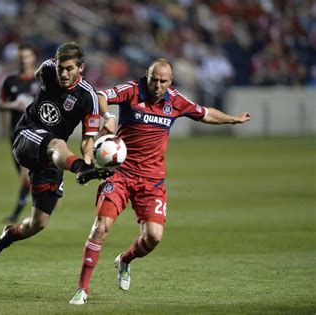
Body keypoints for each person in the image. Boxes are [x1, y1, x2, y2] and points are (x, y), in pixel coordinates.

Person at [69, 58, 250, 305]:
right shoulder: (132, 90)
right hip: (120, 174)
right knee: (101, 226)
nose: (157, 85)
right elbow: (100, 94)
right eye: (154, 79)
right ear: (148, 75)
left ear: (170, 81)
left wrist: (232, 119)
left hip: (152, 181)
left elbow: (205, 114)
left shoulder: (176, 100)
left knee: (153, 236)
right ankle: (82, 290)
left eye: (163, 81)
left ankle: (125, 261)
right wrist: (108, 116)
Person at [0, 42, 114, 259]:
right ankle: (78, 167)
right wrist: (83, 167)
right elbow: (39, 74)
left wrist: (90, 161)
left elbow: (87, 140)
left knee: (39, 222)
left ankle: (9, 235)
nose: (63, 73)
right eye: (60, 68)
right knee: (56, 143)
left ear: (81, 68)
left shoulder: (87, 97)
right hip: (27, 134)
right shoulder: (47, 69)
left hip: (53, 157)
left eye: (69, 69)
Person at [0, 44, 39, 224]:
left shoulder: (41, 80)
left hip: (35, 132)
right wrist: (12, 105)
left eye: (27, 56)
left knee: (25, 174)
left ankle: (16, 214)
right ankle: (51, 190)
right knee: (27, 177)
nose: (23, 60)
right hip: (16, 133)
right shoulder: (10, 81)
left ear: (33, 58)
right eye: (21, 57)